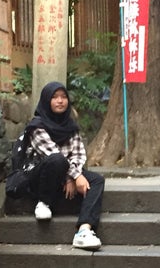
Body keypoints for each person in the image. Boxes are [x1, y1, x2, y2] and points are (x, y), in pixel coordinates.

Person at [21, 81, 105, 250]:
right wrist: (74, 176)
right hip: (42, 177)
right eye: (55, 97)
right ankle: (44, 202)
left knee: (96, 180)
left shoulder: (71, 126)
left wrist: (71, 176)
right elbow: (51, 154)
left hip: (66, 173)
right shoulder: (36, 126)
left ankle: (84, 230)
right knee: (57, 160)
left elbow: (78, 154)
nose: (60, 101)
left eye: (63, 97)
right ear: (46, 101)